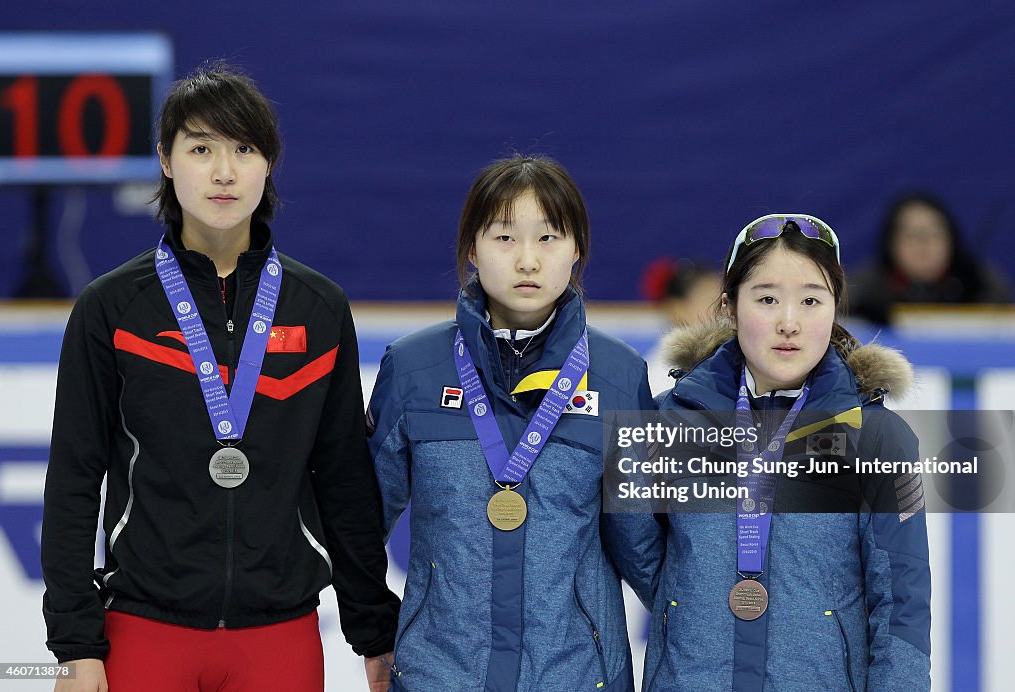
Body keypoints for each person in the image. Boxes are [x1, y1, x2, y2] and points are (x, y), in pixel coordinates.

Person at [41, 64, 400, 692]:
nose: (224, 171)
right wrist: (75, 643)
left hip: (279, 634)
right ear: (165, 160)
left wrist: (375, 631)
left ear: (269, 164)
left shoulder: (318, 308)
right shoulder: (112, 308)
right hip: (144, 628)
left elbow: (342, 477)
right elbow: (75, 476)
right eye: (201, 148)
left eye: (244, 148)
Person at [366, 154, 660, 691]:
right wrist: (374, 632)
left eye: (548, 238)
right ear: (472, 250)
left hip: (577, 676)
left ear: (576, 251)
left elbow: (648, 552)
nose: (527, 260)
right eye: (505, 237)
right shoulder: (412, 369)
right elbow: (358, 525)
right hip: (439, 676)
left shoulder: (618, 377)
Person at [644, 214, 931, 690]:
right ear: (730, 307)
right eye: (767, 298)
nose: (789, 322)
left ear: (835, 309)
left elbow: (901, 598)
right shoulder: (668, 422)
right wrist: (689, 601)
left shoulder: (879, 437)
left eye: (811, 300)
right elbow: (638, 548)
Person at [849, 192, 1011, 324]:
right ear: (891, 243)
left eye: (934, 234)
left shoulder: (983, 287)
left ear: (951, 241)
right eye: (912, 235)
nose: (923, 244)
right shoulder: (862, 294)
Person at [638, 257, 722, 394]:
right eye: (710, 300)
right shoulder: (657, 376)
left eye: (725, 299)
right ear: (677, 309)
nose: (723, 309)